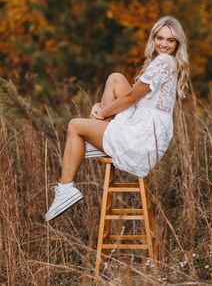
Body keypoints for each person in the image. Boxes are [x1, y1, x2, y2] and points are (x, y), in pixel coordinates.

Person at [45, 15, 189, 222]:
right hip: (144, 128)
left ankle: (66, 188)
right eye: (159, 38)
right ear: (153, 38)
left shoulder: (164, 62)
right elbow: (132, 98)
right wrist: (101, 110)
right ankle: (100, 133)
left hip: (142, 136)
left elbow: (131, 97)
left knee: (74, 125)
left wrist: (102, 113)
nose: (163, 44)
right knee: (115, 78)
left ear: (177, 44)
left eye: (170, 40)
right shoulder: (166, 63)